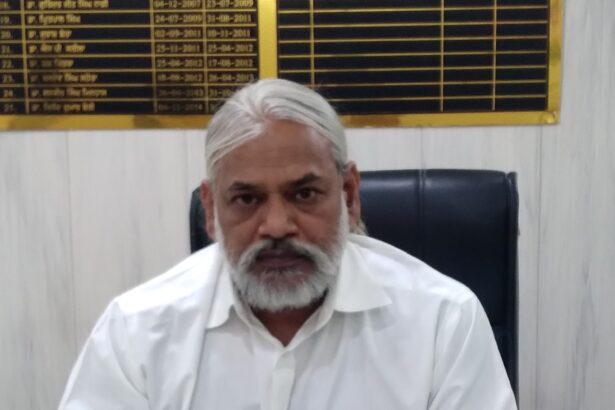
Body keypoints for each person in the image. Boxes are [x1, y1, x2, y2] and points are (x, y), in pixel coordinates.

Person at [59, 79, 517, 409]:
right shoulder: (137, 332)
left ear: (349, 195)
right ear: (211, 210)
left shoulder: (442, 322)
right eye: (247, 199)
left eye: (304, 194)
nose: (277, 226)